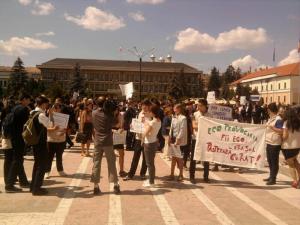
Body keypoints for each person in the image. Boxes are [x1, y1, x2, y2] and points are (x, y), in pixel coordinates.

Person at [91, 97, 120, 195]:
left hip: (98, 141)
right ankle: (115, 185)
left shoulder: (93, 113)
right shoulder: (109, 115)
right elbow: (117, 124)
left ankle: (95, 186)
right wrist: (116, 114)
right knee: (111, 163)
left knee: (96, 163)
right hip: (108, 141)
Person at [30, 96, 59, 195]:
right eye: (47, 104)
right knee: (41, 166)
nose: (47, 106)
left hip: (35, 141)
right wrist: (51, 115)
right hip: (40, 143)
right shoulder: (41, 115)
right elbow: (50, 125)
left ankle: (33, 186)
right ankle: (37, 189)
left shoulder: (32, 112)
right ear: (43, 104)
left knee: (37, 164)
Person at [5, 93, 31, 193]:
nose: (29, 102)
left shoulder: (15, 108)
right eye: (28, 100)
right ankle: (9, 185)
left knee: (19, 160)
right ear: (24, 99)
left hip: (14, 137)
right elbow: (27, 124)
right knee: (17, 160)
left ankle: (23, 181)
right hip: (19, 138)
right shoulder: (23, 109)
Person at [123, 99, 151, 181]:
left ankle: (142, 173)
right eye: (143, 105)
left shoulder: (150, 114)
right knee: (136, 156)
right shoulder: (139, 113)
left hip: (146, 138)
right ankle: (131, 174)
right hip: (139, 138)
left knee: (145, 157)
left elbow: (151, 126)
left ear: (149, 106)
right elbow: (137, 124)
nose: (144, 107)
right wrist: (133, 125)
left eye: (145, 106)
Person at [190, 99, 210, 183]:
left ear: (205, 106)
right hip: (196, 138)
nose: (198, 107)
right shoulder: (195, 114)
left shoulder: (210, 115)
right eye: (198, 105)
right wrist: (204, 125)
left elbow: (211, 127)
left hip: (206, 139)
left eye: (200, 105)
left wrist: (201, 125)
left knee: (206, 158)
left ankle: (206, 176)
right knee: (193, 158)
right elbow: (194, 126)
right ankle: (192, 176)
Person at [45, 103, 67, 179]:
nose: (57, 109)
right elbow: (45, 129)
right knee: (49, 157)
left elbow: (65, 128)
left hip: (61, 140)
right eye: (55, 108)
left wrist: (64, 131)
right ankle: (47, 171)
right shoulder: (47, 117)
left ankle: (60, 170)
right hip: (51, 140)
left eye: (58, 108)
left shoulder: (63, 117)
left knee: (59, 156)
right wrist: (53, 129)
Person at [142, 105, 162, 187]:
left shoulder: (153, 122)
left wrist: (144, 124)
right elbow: (150, 131)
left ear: (153, 113)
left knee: (149, 163)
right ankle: (151, 180)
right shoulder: (158, 120)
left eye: (150, 111)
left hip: (149, 143)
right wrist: (147, 123)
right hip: (153, 142)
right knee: (150, 163)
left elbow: (146, 134)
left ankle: (151, 182)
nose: (148, 112)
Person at [281, 106, 300, 188]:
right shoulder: (298, 122)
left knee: (291, 165)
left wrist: (280, 138)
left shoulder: (286, 123)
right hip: (297, 146)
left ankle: (295, 181)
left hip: (288, 146)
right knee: (295, 161)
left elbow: (285, 136)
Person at [264, 103, 283, 185]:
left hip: (275, 143)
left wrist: (272, 127)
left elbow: (281, 131)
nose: (267, 111)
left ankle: (273, 178)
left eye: (268, 109)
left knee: (274, 161)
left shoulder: (278, 119)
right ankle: (271, 175)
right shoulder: (271, 118)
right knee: (269, 160)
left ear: (270, 110)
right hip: (269, 142)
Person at [168, 104, 187, 182]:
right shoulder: (173, 117)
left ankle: (181, 174)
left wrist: (178, 140)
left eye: (175, 108)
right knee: (173, 157)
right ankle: (172, 174)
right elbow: (171, 128)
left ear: (179, 109)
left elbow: (182, 130)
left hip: (179, 140)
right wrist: (169, 138)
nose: (174, 110)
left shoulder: (183, 118)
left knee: (179, 158)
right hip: (173, 138)